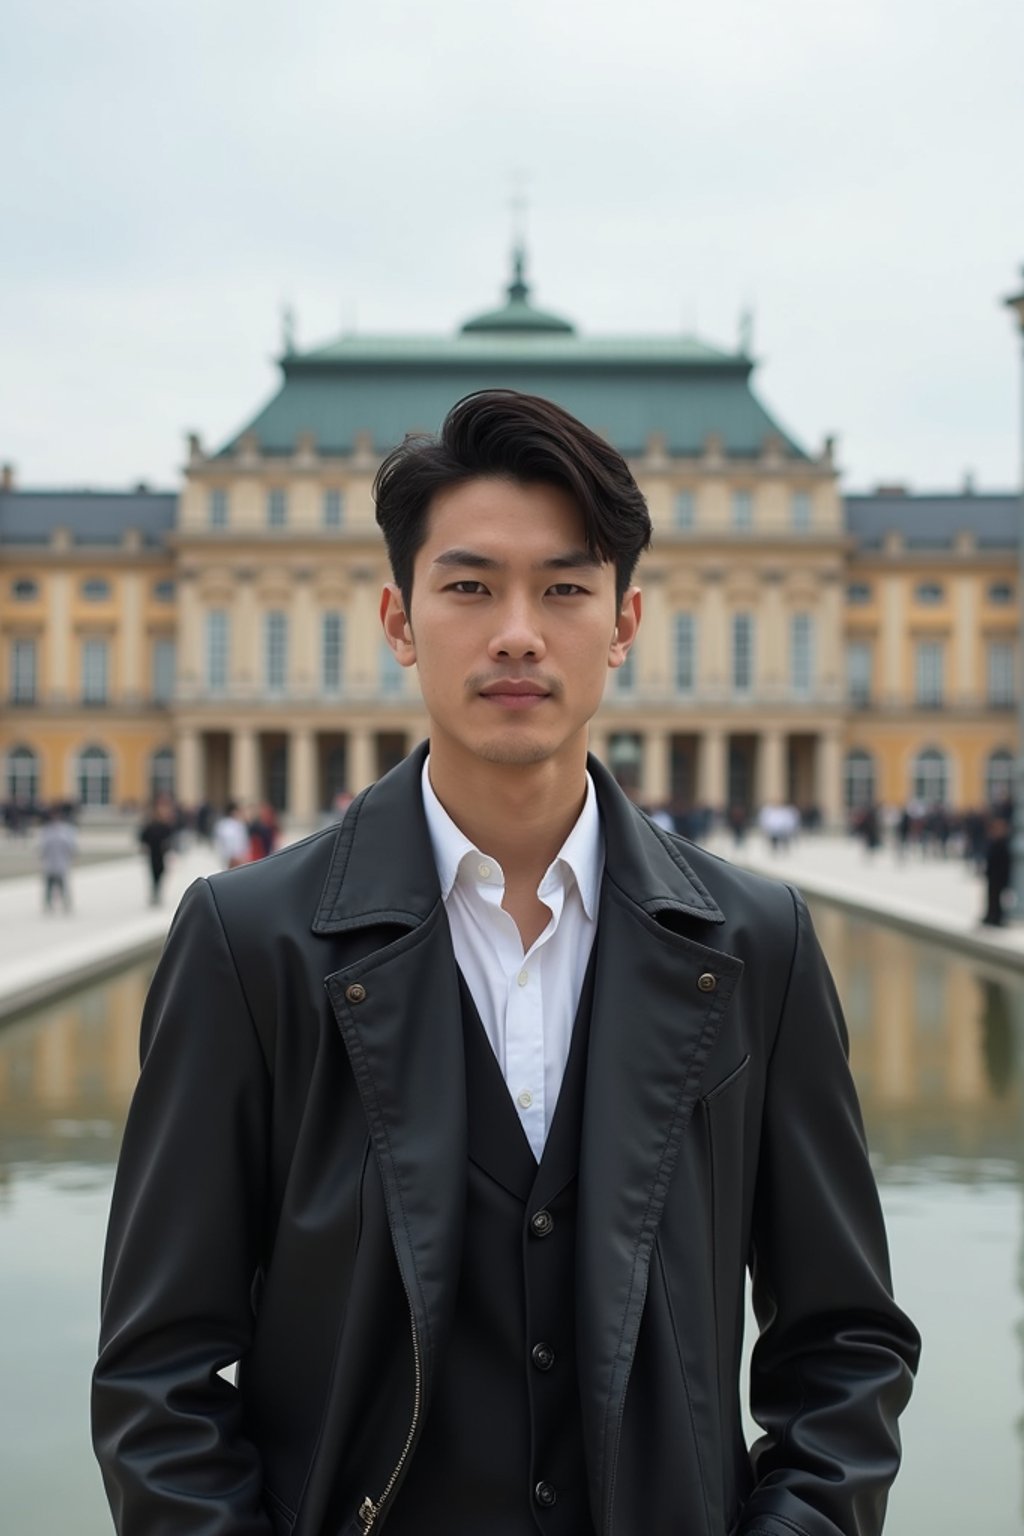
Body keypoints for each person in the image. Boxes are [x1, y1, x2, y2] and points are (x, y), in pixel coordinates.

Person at [92, 390, 919, 1536]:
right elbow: (157, 1375)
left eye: (566, 589)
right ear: (397, 618)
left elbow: (842, 1340)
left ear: (625, 624)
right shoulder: (251, 941)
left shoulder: (756, 942)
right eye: (470, 586)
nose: (518, 631)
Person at [138, 793, 177, 906]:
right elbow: (144, 836)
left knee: (162, 871)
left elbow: (169, 836)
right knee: (154, 872)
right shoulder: (150, 824)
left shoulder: (165, 823)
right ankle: (155, 892)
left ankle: (157, 891)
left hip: (162, 852)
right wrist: (144, 846)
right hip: (153, 851)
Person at [39, 805, 76, 912]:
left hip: (61, 862)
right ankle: (48, 904)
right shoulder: (47, 830)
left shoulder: (66, 830)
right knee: (49, 886)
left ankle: (66, 903)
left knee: (62, 885)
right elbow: (42, 847)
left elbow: (71, 846)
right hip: (50, 863)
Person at [981, 814, 1011, 926]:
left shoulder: (1002, 844)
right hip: (992, 876)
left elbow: (1003, 863)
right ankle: (990, 916)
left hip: (998, 877)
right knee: (991, 897)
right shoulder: (995, 842)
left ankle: (996, 918)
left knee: (997, 899)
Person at [213, 798, 250, 868]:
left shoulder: (240, 824)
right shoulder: (225, 825)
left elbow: (244, 842)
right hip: (230, 857)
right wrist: (231, 856)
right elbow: (226, 842)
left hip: (239, 858)